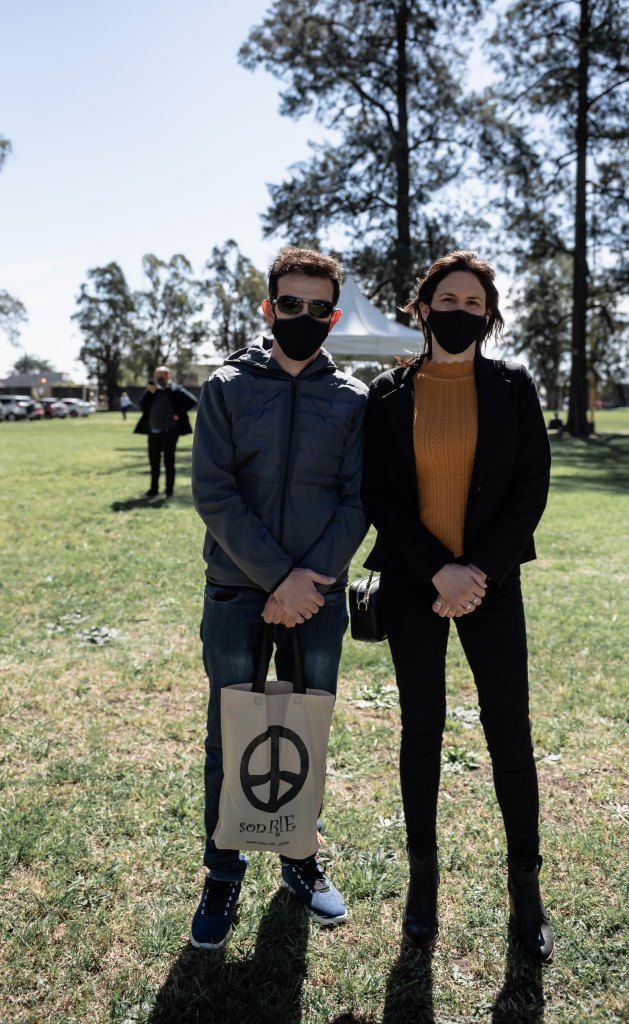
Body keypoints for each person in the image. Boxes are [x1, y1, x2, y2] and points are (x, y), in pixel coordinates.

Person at [362, 250, 554, 962]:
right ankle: (423, 883)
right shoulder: (387, 393)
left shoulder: (512, 386)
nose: (461, 310)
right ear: (422, 307)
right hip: (415, 585)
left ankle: (526, 891)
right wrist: (437, 570)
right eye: (449, 297)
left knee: (511, 732)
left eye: (475, 302)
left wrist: (475, 571)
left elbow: (530, 486)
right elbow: (380, 494)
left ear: (490, 315)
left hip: (492, 585)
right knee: (423, 728)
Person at [190, 246, 367, 950]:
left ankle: (299, 858)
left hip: (318, 599)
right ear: (269, 308)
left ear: (332, 313)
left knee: (305, 731)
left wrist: (307, 583)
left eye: (315, 308)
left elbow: (358, 500)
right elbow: (214, 493)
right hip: (238, 593)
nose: (301, 316)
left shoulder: (351, 399)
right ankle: (222, 871)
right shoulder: (226, 388)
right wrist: (275, 580)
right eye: (288, 304)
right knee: (230, 734)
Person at [133, 366, 197, 498]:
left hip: (170, 432)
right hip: (153, 432)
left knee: (169, 462)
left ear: (168, 376)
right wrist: (150, 392)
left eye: (161, 375)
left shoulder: (175, 390)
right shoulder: (152, 391)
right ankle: (153, 489)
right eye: (157, 376)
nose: (159, 378)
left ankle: (169, 490)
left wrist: (179, 413)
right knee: (154, 462)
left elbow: (192, 401)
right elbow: (142, 406)